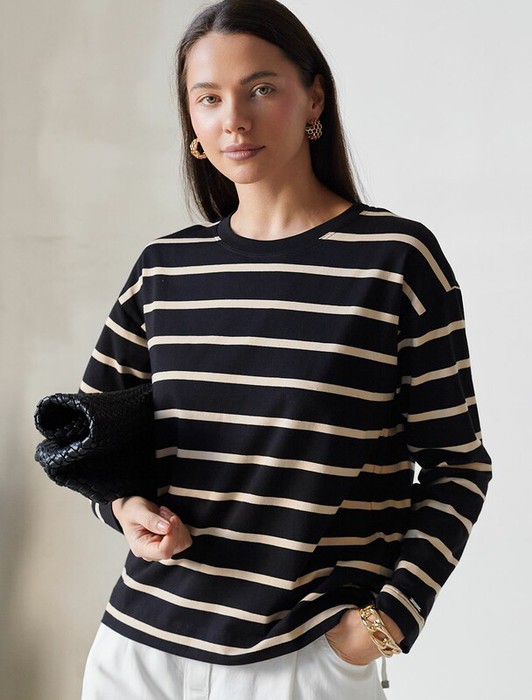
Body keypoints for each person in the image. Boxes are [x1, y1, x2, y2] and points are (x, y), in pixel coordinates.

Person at [80, 1, 491, 698]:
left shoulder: (394, 261)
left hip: (301, 658)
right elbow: (91, 437)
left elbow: (458, 465)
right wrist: (126, 507)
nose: (234, 120)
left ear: (314, 100)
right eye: (208, 98)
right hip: (139, 650)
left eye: (261, 88)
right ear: (191, 122)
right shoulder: (165, 269)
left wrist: (385, 624)